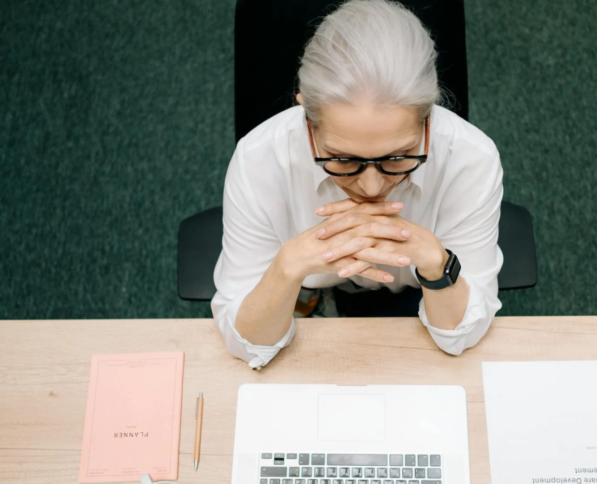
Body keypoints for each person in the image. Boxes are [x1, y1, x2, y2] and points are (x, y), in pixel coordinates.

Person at [211, 0, 503, 369]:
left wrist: (436, 263)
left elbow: (460, 334)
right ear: (306, 119)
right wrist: (286, 268)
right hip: (304, 302)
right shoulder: (259, 158)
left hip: (415, 304)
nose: (370, 187)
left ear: (429, 121)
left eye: (397, 157)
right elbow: (246, 343)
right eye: (343, 159)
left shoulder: (470, 157)